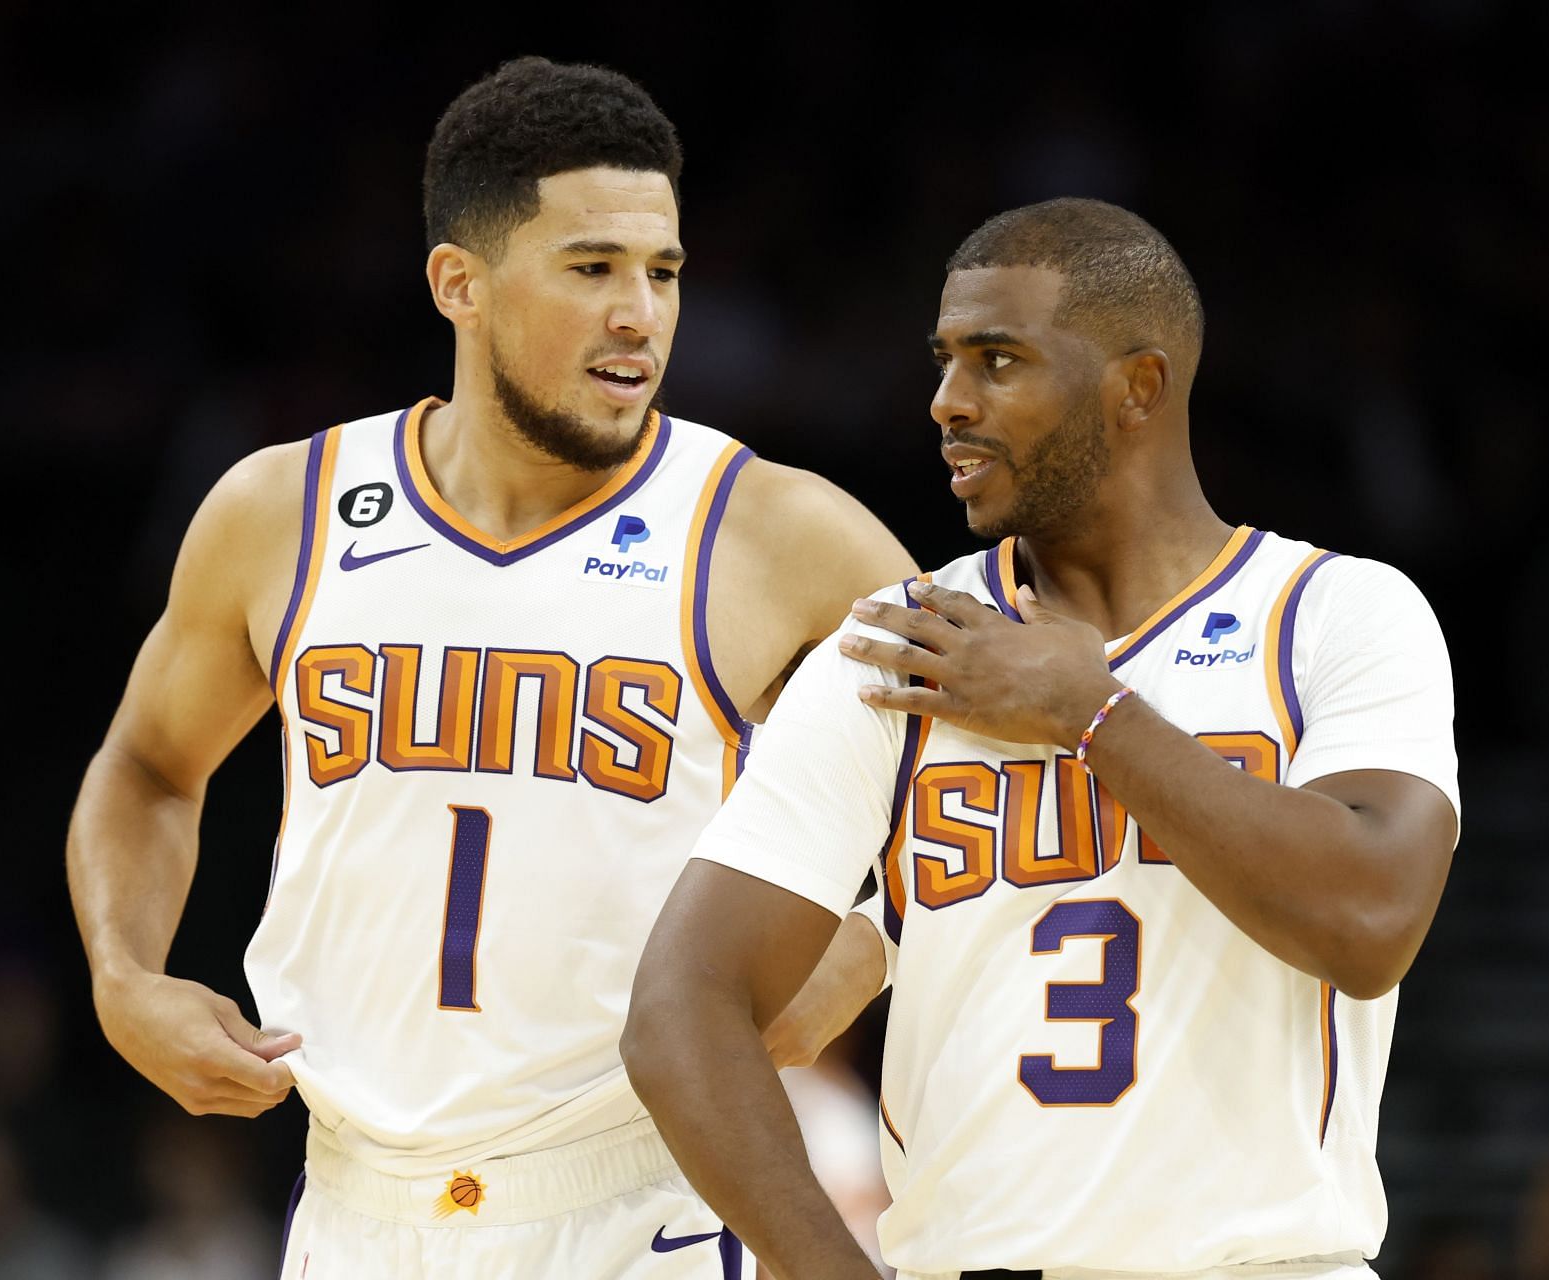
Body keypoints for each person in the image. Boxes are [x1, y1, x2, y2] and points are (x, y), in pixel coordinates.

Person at [66, 56, 914, 1279]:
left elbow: (982, 787)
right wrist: (120, 974)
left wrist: (862, 944)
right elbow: (148, 763)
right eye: (593, 268)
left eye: (663, 271)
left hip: (650, 1198)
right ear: (458, 283)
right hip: (354, 1208)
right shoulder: (282, 512)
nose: (642, 313)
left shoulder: (775, 532)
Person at [624, 198, 1461, 1280]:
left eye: (998, 360)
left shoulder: (1336, 613)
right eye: (943, 361)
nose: (946, 402)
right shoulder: (901, 646)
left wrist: (1093, 715)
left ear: (1138, 387)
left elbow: (1372, 917)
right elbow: (678, 1009)